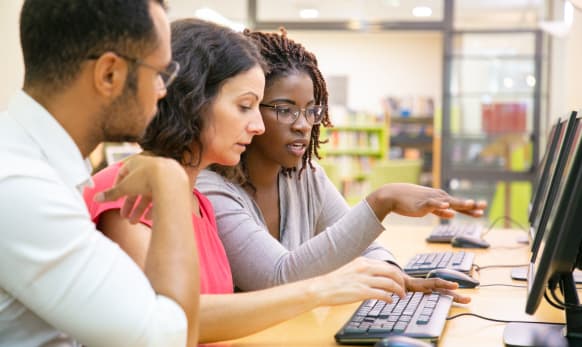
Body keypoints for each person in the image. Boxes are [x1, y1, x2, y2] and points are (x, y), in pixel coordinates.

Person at [83, 19, 470, 344]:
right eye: (245, 106)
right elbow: (173, 321)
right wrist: (322, 288)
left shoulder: (194, 201)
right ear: (193, 101)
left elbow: (209, 314)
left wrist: (381, 278)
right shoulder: (130, 190)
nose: (256, 125)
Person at [197, 28, 487, 292]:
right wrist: (381, 202)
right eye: (285, 110)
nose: (303, 125)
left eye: (311, 110)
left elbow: (364, 247)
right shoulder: (210, 189)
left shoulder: (305, 176)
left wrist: (395, 276)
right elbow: (277, 277)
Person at [0, 1, 200, 346]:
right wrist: (171, 181)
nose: (162, 91)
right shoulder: (21, 185)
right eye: (159, 74)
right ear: (110, 74)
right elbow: (167, 339)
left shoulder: (33, 161)